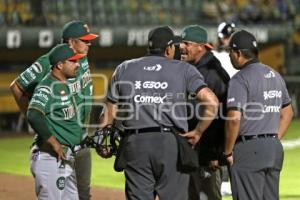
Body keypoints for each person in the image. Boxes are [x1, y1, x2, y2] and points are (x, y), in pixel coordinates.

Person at [99, 26, 219, 200]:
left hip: (135, 143)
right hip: (170, 143)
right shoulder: (184, 69)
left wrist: (104, 139)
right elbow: (212, 102)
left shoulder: (124, 68)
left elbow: (109, 110)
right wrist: (198, 131)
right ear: (169, 48)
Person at [9, 20, 98, 200]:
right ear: (71, 42)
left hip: (80, 138)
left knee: (83, 195)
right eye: (84, 40)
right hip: (60, 142)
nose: (89, 43)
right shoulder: (50, 61)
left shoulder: (80, 58)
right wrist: (38, 120)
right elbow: (16, 86)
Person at [224, 30, 294, 200]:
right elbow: (288, 112)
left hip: (248, 150)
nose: (229, 56)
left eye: (230, 52)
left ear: (238, 53)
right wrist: (273, 139)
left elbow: (234, 119)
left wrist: (226, 152)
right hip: (273, 149)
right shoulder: (275, 76)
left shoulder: (240, 79)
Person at [27, 44, 86, 199]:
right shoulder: (47, 86)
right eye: (73, 61)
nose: (77, 64)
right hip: (49, 158)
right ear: (60, 65)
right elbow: (33, 114)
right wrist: (54, 143)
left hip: (65, 158)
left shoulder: (64, 85)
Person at [180, 25, 230, 200]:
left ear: (200, 46)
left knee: (208, 196)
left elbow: (223, 117)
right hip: (192, 152)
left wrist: (213, 154)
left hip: (206, 155)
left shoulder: (213, 73)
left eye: (187, 43)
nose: (181, 47)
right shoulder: (191, 69)